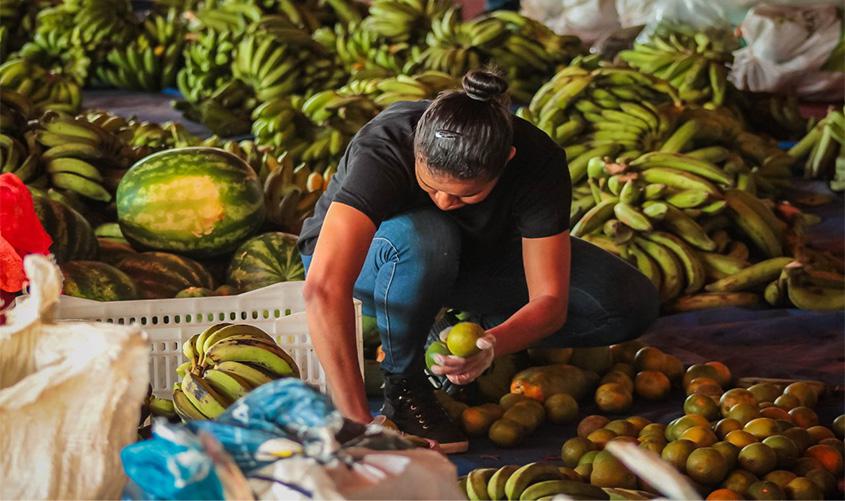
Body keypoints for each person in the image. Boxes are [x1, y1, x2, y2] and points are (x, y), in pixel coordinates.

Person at [298, 69, 660, 454]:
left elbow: (549, 301)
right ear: (417, 146)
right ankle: (404, 383)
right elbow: (324, 287)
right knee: (428, 233)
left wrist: (492, 344)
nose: (443, 201)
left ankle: (447, 327)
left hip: (467, 259)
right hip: (374, 262)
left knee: (626, 302)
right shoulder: (386, 144)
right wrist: (359, 423)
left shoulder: (538, 162)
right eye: (430, 185)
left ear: (506, 160)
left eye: (463, 196)